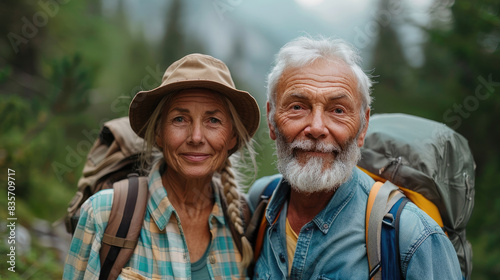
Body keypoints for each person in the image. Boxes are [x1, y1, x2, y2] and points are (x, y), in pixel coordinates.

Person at [248, 37, 462, 279]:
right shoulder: (260, 203)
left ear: (363, 127)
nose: (317, 128)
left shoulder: (414, 238)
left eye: (337, 110)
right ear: (271, 118)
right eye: (297, 107)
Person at [64, 53, 260, 279]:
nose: (196, 137)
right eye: (180, 119)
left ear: (232, 137)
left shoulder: (242, 223)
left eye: (213, 120)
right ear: (158, 133)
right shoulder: (102, 214)